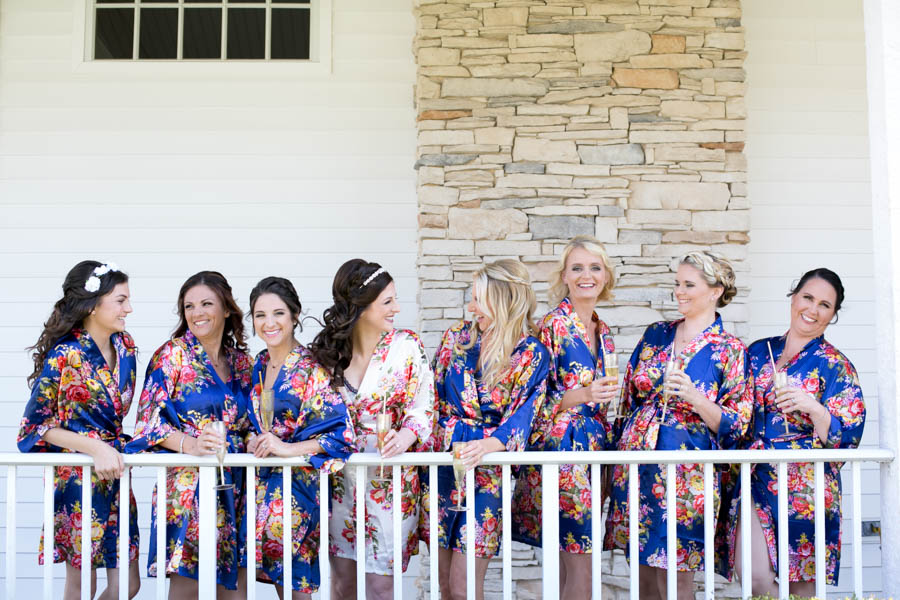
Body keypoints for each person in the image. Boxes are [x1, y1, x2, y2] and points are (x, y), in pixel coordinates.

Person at [603, 251, 753, 600]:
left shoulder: (729, 349)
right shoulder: (656, 334)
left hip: (688, 474)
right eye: (677, 284)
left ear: (715, 291)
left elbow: (737, 424)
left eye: (689, 284)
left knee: (676, 577)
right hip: (638, 466)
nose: (680, 292)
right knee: (642, 574)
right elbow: (627, 402)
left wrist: (695, 398)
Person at [723, 268, 865, 595]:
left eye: (825, 305)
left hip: (808, 485)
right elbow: (733, 409)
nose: (813, 310)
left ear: (833, 314)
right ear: (794, 297)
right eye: (808, 297)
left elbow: (848, 438)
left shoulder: (836, 366)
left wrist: (812, 407)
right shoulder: (758, 352)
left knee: (802, 587)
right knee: (754, 575)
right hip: (756, 477)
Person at [309, 260, 434, 600]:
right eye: (388, 302)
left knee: (381, 587)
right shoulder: (329, 354)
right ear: (362, 307)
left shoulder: (407, 346)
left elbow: (424, 408)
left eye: (395, 299)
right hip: (339, 482)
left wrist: (406, 436)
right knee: (343, 584)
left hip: (390, 480)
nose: (397, 308)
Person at [126, 271, 253, 599]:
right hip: (186, 485)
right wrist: (190, 444)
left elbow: (255, 421)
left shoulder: (242, 362)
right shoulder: (172, 355)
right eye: (189, 306)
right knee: (187, 587)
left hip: (235, 483)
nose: (197, 313)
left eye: (207, 304)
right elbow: (148, 423)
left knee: (235, 589)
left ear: (226, 309)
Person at [18, 260, 141, 600]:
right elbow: (34, 427)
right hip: (78, 478)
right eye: (120, 300)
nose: (128, 309)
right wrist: (95, 447)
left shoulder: (126, 348)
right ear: (92, 303)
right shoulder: (65, 355)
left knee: (127, 586)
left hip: (115, 473)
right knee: (81, 585)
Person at [432, 258, 549, 600]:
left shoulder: (530, 354)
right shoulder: (457, 337)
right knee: (444, 586)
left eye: (478, 299)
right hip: (444, 465)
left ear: (504, 299)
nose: (471, 307)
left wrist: (489, 445)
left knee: (464, 586)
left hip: (486, 473)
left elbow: (527, 412)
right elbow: (434, 396)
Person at [511, 236, 618, 598]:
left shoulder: (604, 331)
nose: (586, 275)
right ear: (565, 277)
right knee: (580, 563)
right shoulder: (552, 327)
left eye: (595, 267)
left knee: (569, 563)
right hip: (563, 450)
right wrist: (585, 395)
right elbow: (531, 402)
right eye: (577, 268)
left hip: (595, 450)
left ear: (606, 275)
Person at [245, 276, 355, 600]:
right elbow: (260, 423)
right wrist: (256, 440)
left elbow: (340, 434)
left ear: (295, 316)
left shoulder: (310, 367)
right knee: (283, 582)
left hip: (300, 487)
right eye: (260, 314)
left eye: (278, 313)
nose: (269, 322)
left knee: (298, 584)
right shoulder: (260, 365)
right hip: (265, 487)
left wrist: (287, 448)